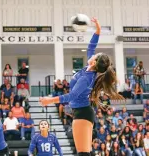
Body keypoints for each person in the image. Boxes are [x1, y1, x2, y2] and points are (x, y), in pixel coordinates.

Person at [40, 17, 123, 156]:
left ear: (94, 62)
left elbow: (71, 95)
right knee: (85, 152)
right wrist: (97, 28)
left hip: (83, 113)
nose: (93, 54)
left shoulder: (86, 78)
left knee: (83, 153)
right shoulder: (89, 69)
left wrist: (49, 101)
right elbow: (91, 46)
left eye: (96, 55)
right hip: (81, 112)